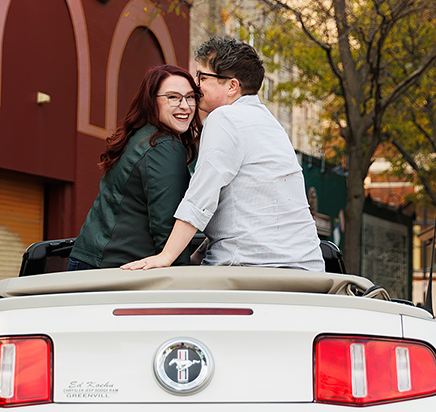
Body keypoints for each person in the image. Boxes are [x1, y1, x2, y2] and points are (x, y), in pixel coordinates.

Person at [122, 37, 324, 272]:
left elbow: (200, 198)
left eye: (203, 77)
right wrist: (197, 256)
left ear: (232, 86)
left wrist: (166, 256)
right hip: (304, 269)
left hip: (253, 271)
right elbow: (246, 212)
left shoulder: (225, 118)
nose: (196, 86)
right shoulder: (268, 122)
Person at [67, 65, 202, 269]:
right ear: (151, 101)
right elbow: (166, 224)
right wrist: (181, 274)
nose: (185, 106)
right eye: (173, 97)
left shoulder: (138, 136)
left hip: (91, 262)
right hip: (117, 271)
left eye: (190, 97)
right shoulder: (164, 146)